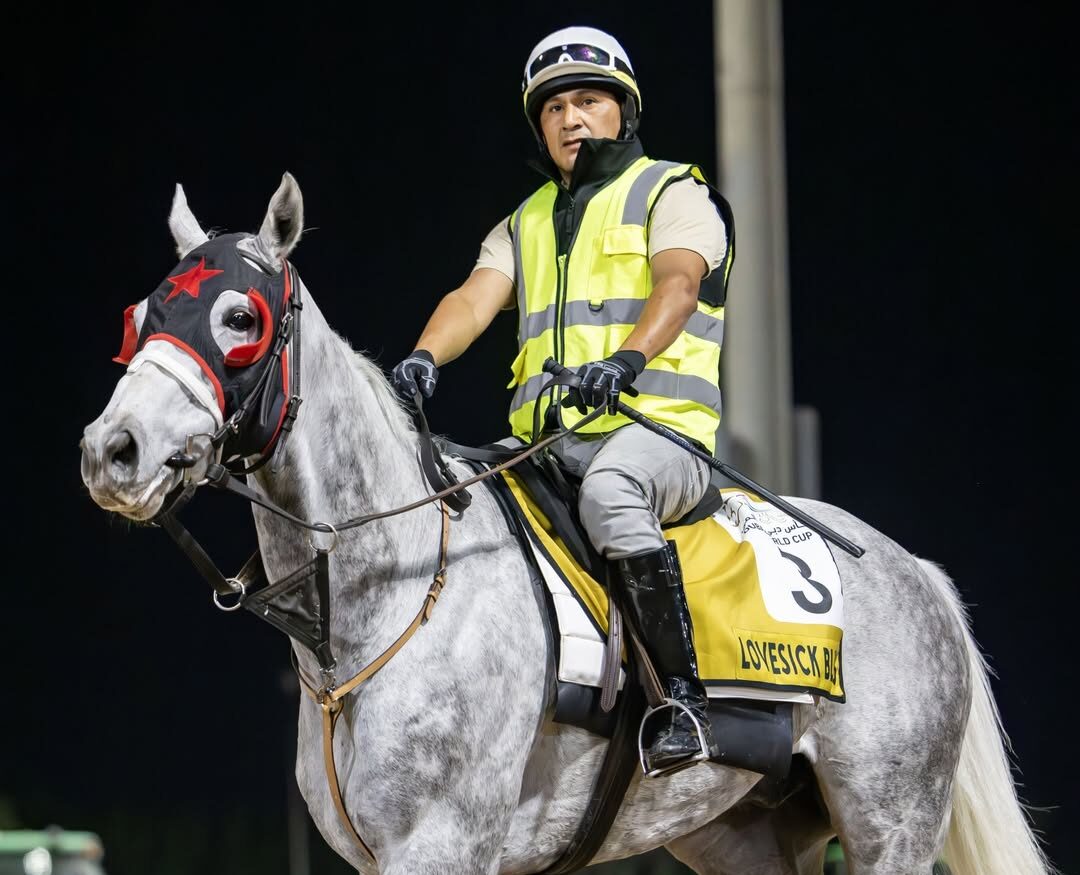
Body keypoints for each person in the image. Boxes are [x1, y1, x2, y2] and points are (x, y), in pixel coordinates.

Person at [390, 25, 734, 775]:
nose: (570, 118)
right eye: (553, 109)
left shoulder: (673, 191)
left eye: (588, 101)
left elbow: (677, 284)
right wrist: (422, 355)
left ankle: (684, 701)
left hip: (659, 436)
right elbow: (474, 301)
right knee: (456, 494)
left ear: (624, 112)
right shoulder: (527, 220)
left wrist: (627, 359)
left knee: (612, 494)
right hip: (547, 446)